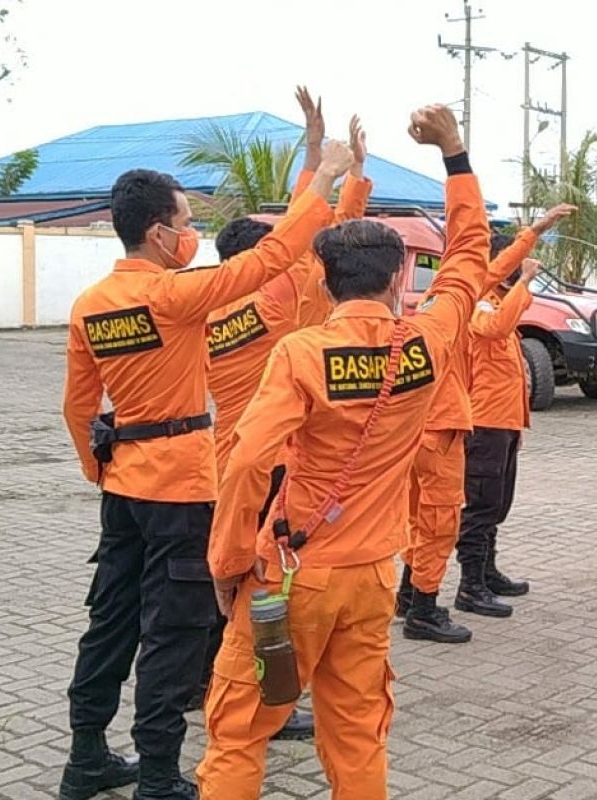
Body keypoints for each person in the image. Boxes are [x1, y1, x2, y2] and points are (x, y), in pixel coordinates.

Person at [196, 104, 491, 800]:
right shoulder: (429, 339)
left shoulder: (301, 351)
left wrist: (228, 560)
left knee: (242, 730)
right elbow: (470, 257)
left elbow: (245, 461)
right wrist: (454, 154)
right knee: (358, 733)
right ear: (398, 282)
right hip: (371, 580)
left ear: (323, 283)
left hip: (292, 578)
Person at [58, 142, 350, 800]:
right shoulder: (174, 296)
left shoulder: (90, 304)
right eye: (186, 223)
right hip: (182, 486)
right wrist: (326, 175)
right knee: (175, 630)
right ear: (159, 233)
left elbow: (78, 407)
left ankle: (85, 757)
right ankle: (158, 775)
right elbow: (273, 258)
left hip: (124, 485)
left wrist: (98, 470)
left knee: (110, 620)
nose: (191, 235)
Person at [190, 107, 373, 745]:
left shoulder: (210, 310)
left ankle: (200, 680)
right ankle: (259, 693)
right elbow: (323, 239)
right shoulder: (278, 300)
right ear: (261, 261)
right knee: (261, 588)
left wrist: (319, 153)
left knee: (217, 580)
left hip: (223, 456)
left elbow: (307, 232)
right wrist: (344, 171)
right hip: (268, 462)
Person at [397, 205, 575, 640]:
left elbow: (495, 270)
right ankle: (447, 594)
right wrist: (527, 280)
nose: (489, 271)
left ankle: (420, 593)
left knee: (470, 509)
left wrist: (533, 230)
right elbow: (494, 327)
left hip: (481, 420)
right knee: (448, 516)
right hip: (462, 423)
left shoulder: (457, 297)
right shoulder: (458, 302)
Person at [454, 253, 543, 619]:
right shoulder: (481, 305)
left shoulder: (502, 305)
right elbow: (496, 328)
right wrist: (522, 283)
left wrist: (517, 427)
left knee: (497, 505)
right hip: (484, 425)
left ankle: (487, 572)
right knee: (480, 506)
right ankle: (469, 585)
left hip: (504, 426)